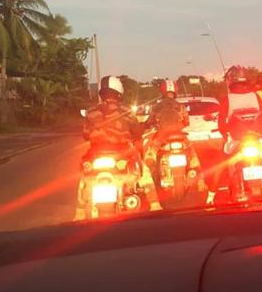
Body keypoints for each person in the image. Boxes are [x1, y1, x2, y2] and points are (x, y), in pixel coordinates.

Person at [80, 75, 161, 212]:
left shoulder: (91, 112)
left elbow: (85, 134)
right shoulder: (126, 111)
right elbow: (136, 131)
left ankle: (80, 213)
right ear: (118, 92)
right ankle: (155, 205)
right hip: (122, 152)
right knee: (144, 172)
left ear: (102, 93)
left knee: (84, 179)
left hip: (96, 154)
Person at [144, 80, 206, 191]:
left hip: (162, 136)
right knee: (192, 155)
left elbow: (149, 122)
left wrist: (150, 125)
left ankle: (151, 181)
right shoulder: (180, 106)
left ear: (162, 91)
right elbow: (186, 122)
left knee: (150, 156)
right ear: (175, 91)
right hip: (180, 136)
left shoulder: (156, 107)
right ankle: (201, 181)